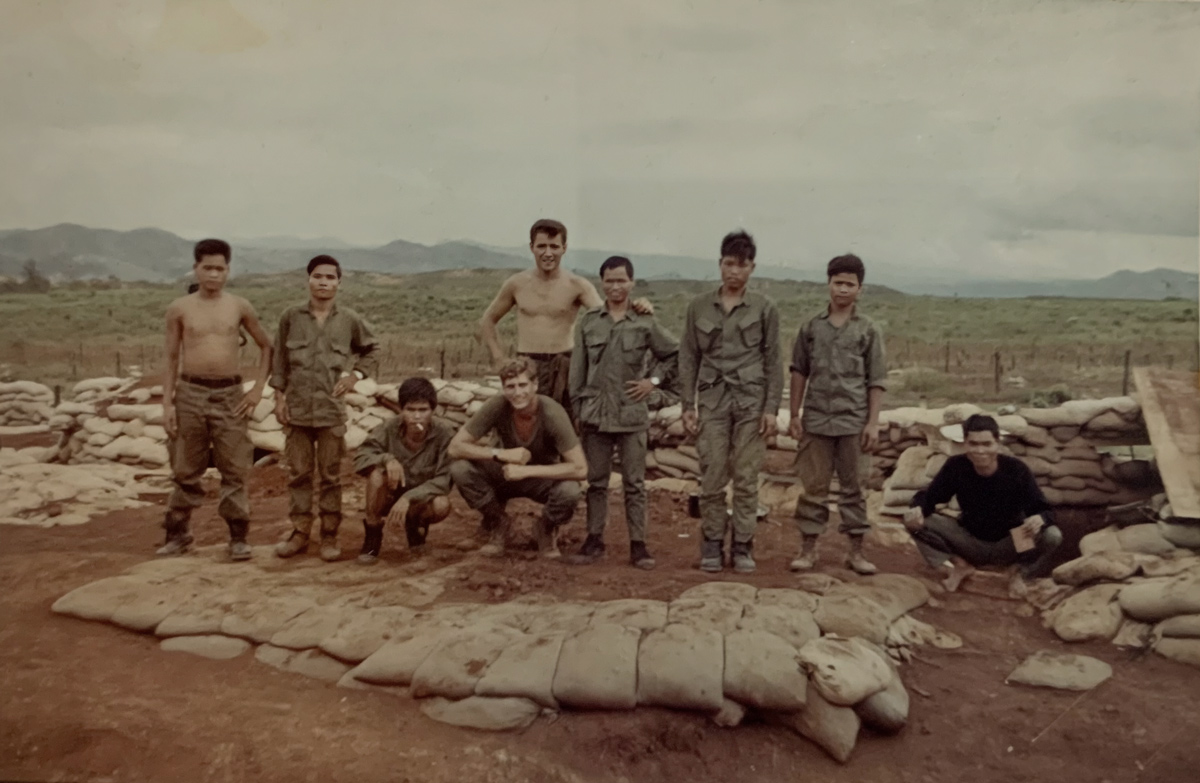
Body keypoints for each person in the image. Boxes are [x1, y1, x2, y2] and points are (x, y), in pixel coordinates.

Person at [158, 239, 273, 560]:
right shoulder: (180, 308)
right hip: (190, 393)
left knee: (234, 466)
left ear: (228, 271)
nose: (213, 275)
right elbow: (169, 358)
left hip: (229, 396)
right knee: (185, 466)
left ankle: (238, 538)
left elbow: (267, 346)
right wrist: (167, 405)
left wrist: (257, 390)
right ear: (196, 268)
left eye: (219, 269)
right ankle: (178, 533)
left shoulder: (239, 306)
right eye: (207, 268)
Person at [678, 230, 782, 574]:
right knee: (711, 474)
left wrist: (771, 409)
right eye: (728, 264)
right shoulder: (698, 307)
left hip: (751, 401)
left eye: (742, 265)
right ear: (719, 265)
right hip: (712, 400)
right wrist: (687, 406)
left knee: (747, 476)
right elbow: (689, 357)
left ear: (752, 267)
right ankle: (711, 544)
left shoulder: (765, 309)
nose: (734, 271)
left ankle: (742, 546)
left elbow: (773, 361)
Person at [567, 255, 679, 569]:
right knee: (596, 482)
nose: (616, 286)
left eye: (621, 280)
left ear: (631, 282)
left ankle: (639, 545)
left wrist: (652, 383)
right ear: (602, 283)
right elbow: (578, 371)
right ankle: (593, 539)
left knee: (635, 483)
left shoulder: (644, 321)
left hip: (631, 415)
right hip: (596, 415)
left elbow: (674, 354)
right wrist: (579, 410)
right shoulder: (589, 321)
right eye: (610, 280)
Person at [477, 219, 651, 419]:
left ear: (564, 248)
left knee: (566, 423)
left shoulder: (577, 285)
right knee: (526, 421)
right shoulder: (516, 284)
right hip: (527, 363)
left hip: (565, 365)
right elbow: (488, 320)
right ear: (532, 247)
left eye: (554, 246)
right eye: (542, 246)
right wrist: (499, 358)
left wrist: (638, 305)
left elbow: (608, 315)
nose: (548, 253)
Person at [271, 255, 379, 562]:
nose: (323, 282)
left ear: (339, 283)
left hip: (331, 410)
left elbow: (373, 348)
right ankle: (300, 532)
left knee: (331, 476)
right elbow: (279, 360)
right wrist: (278, 400)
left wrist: (354, 376)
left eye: (330, 277)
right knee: (299, 474)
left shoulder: (348, 320)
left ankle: (329, 535)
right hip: (298, 411)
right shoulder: (291, 317)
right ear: (308, 279)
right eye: (318, 276)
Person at [788, 254, 887, 575]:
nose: (843, 290)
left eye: (850, 284)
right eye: (838, 283)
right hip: (816, 420)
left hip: (853, 422)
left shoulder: (868, 330)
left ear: (860, 289)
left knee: (854, 489)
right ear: (828, 284)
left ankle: (856, 552)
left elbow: (877, 380)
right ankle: (808, 549)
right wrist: (794, 414)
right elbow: (799, 371)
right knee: (813, 487)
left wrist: (872, 423)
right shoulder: (812, 327)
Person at [903, 413, 1063, 592]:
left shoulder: (1016, 470)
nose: (980, 451)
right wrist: (916, 510)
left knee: (1052, 535)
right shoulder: (956, 466)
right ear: (965, 443)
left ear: (998, 443)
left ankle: (1019, 572)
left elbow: (1045, 510)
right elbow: (929, 498)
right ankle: (960, 565)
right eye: (974, 444)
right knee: (914, 522)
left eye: (987, 444)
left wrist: (1039, 519)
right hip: (970, 542)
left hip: (1012, 543)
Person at [447, 357, 586, 558]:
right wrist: (500, 454)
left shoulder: (552, 412)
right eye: (510, 386)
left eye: (523, 385)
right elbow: (455, 447)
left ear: (535, 384)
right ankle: (498, 523)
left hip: (540, 477)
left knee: (570, 490)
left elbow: (580, 468)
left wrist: (526, 470)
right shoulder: (497, 405)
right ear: (503, 388)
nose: (518, 393)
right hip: (505, 473)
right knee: (460, 468)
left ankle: (545, 528)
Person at [352, 377, 454, 564]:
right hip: (390, 494)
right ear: (401, 410)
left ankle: (416, 532)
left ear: (433, 410)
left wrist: (409, 498)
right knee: (376, 475)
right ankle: (372, 538)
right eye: (410, 410)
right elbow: (361, 456)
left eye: (423, 410)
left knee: (441, 504)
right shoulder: (389, 427)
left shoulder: (444, 433)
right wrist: (387, 459)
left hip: (420, 498)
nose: (416, 416)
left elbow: (444, 479)